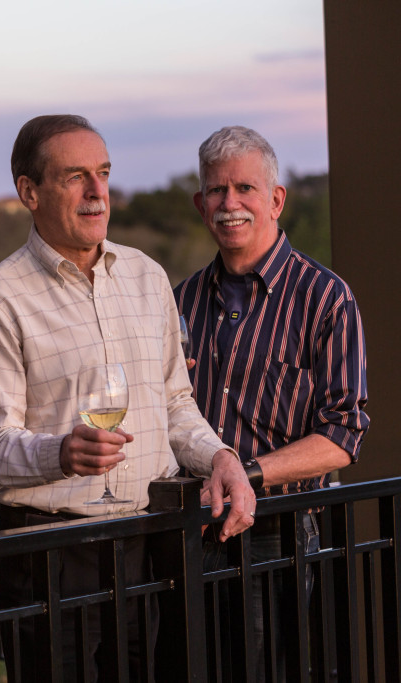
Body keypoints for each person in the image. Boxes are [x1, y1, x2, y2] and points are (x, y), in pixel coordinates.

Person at [0, 114, 256, 681]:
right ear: (30, 192)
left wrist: (222, 458)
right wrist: (59, 454)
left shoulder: (147, 277)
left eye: (103, 173)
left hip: (142, 540)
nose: (98, 192)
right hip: (46, 553)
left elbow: (175, 404)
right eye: (76, 177)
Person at [175, 125, 369, 680]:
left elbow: (343, 435)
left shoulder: (326, 298)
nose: (229, 204)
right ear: (200, 204)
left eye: (244, 189)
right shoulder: (179, 302)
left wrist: (248, 475)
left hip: (275, 534)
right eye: (216, 191)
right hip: (188, 530)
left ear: (276, 199)